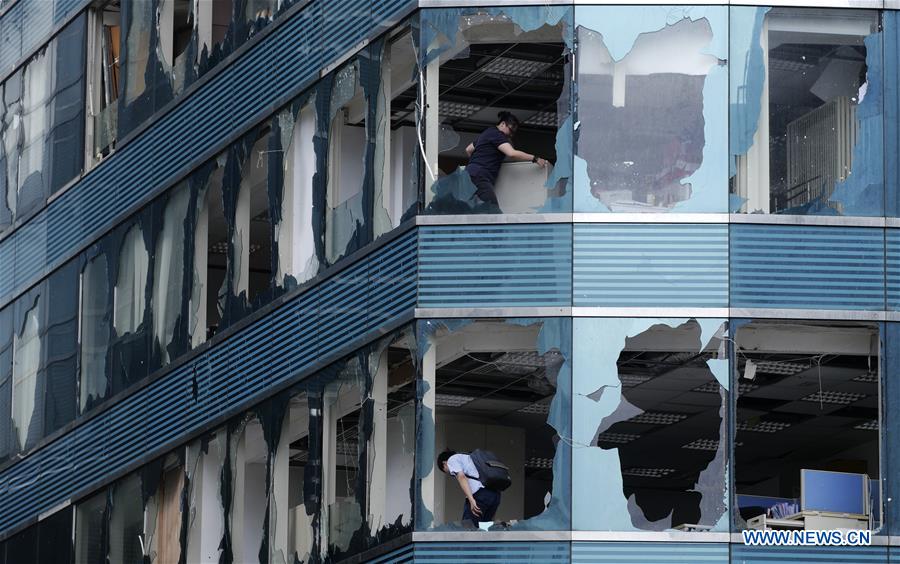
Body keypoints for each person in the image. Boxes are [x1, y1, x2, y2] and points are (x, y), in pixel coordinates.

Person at [465, 111, 547, 207]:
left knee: (473, 209)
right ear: (503, 124)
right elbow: (512, 153)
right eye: (510, 130)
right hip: (480, 176)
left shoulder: (487, 132)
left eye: (513, 133)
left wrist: (475, 164)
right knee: (492, 210)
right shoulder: (497, 135)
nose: (511, 135)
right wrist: (535, 158)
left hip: (470, 175)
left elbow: (468, 149)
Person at [437, 449, 501, 526]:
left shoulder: (452, 459)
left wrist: (471, 500)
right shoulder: (470, 457)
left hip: (480, 495)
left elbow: (461, 477)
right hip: (495, 494)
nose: (450, 473)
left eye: (445, 471)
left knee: (469, 528)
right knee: (484, 528)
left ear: (444, 463)